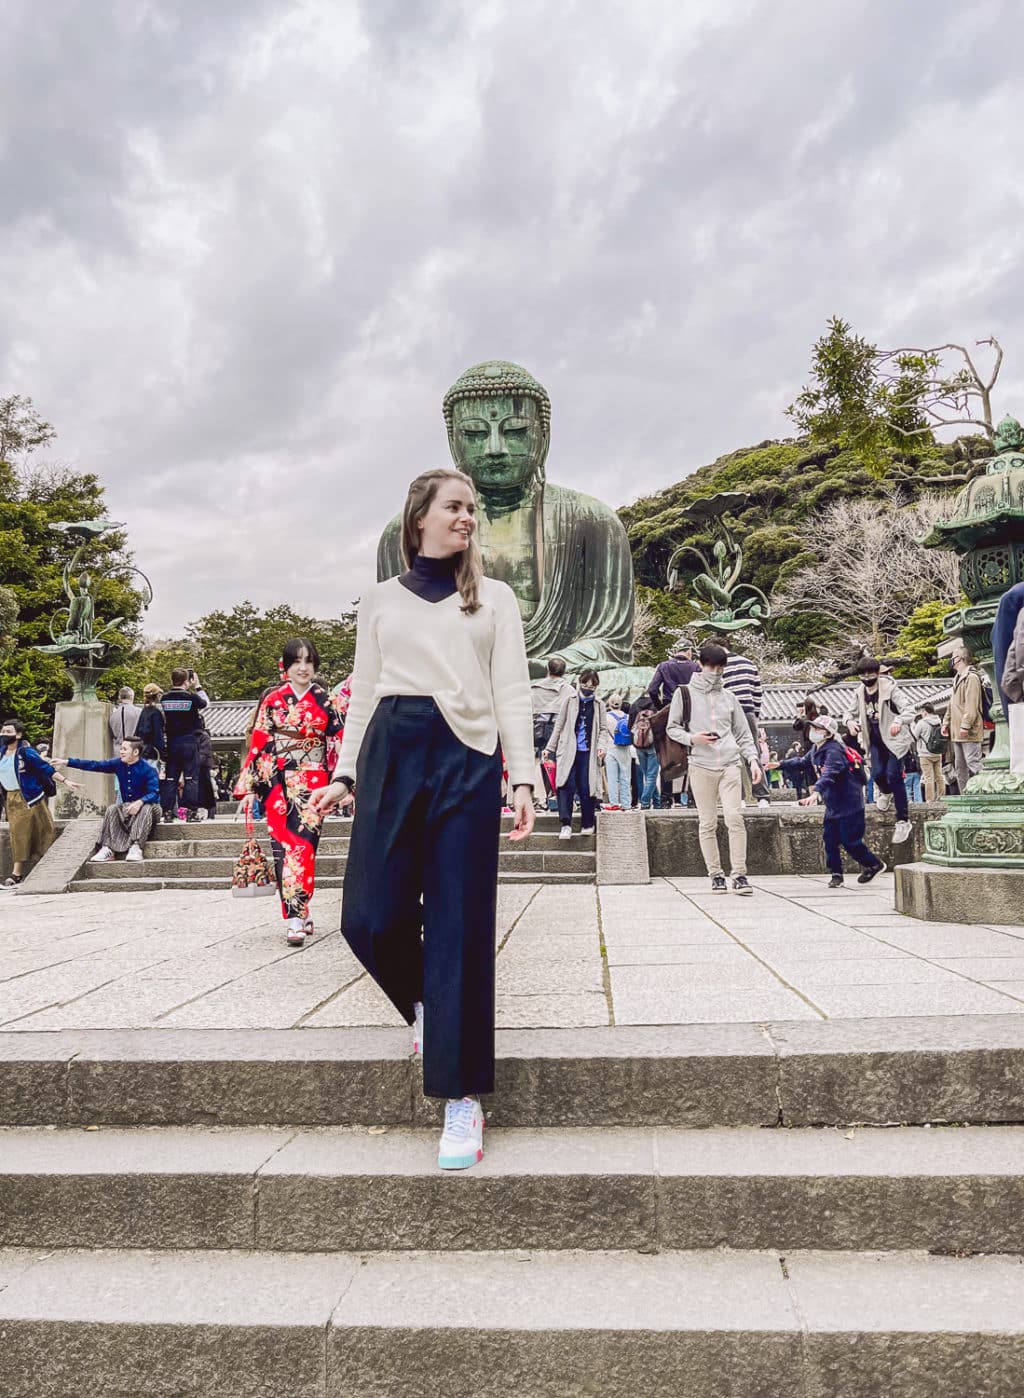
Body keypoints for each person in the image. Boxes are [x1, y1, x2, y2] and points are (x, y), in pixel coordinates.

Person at [310, 467, 534, 1174]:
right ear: (420, 519)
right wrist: (343, 772)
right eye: (455, 507)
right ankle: (427, 1010)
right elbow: (365, 690)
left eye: (471, 509)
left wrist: (522, 775)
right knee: (367, 916)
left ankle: (461, 1095)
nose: (467, 517)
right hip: (390, 752)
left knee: (461, 922)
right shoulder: (378, 599)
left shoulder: (493, 598)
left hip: (466, 756)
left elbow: (512, 691)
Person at [236, 640, 346, 947]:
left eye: (308, 661)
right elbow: (260, 743)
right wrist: (251, 786)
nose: (303, 667)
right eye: (296, 661)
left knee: (303, 848)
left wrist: (344, 784)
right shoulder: (273, 700)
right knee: (283, 849)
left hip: (314, 785)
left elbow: (340, 741)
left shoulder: (326, 700)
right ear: (285, 665)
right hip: (277, 783)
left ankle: (298, 914)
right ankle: (298, 915)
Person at [666, 641, 763, 894]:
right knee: (707, 822)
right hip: (700, 764)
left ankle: (740, 874)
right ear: (700, 664)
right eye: (711, 666)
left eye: (720, 668)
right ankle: (715, 874)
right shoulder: (684, 693)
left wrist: (752, 760)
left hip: (730, 763)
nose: (716, 672)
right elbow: (672, 727)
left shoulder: (729, 697)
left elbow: (743, 734)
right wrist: (692, 739)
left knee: (734, 817)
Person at [799, 715, 883, 888]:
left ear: (828, 734)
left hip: (849, 804)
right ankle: (836, 874)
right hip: (833, 805)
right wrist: (779, 765)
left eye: (818, 729)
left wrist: (816, 793)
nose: (813, 732)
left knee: (850, 841)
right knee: (829, 840)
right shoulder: (816, 749)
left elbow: (829, 773)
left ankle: (874, 864)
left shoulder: (834, 751)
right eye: (813, 728)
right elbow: (802, 762)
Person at [0, 719, 78, 887]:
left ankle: (44, 868)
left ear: (18, 734)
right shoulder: (1, 752)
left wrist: (65, 781)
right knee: (18, 833)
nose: (4, 735)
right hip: (12, 798)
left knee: (43, 830)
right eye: (3, 731)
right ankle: (17, 873)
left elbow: (45, 768)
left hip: (30, 796)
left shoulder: (25, 752)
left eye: (8, 732)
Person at [56, 737, 161, 862]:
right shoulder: (118, 764)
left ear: (135, 752)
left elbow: (154, 793)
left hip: (150, 808)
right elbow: (95, 765)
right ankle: (108, 848)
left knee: (146, 808)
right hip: (128, 806)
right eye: (121, 749)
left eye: (124, 749)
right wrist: (66, 762)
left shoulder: (149, 770)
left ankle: (136, 846)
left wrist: (140, 802)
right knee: (112, 809)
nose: (121, 752)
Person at [844, 657, 913, 845]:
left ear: (877, 672)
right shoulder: (859, 693)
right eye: (863, 674)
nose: (867, 677)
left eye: (870, 673)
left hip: (894, 740)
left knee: (894, 774)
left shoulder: (890, 689)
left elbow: (909, 710)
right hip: (874, 740)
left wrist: (898, 721)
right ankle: (886, 792)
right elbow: (848, 713)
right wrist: (850, 722)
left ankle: (903, 819)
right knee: (876, 774)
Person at [544, 670, 606, 838]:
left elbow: (603, 729)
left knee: (587, 787)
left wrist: (602, 746)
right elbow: (559, 725)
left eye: (592, 687)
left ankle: (588, 823)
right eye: (585, 685)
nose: (588, 689)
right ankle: (566, 823)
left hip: (588, 752)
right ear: (580, 683)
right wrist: (549, 748)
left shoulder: (599, 704)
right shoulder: (569, 701)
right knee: (565, 784)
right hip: (568, 751)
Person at [719, 641, 772, 807]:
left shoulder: (718, 666)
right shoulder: (748, 663)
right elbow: (758, 692)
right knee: (752, 752)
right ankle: (762, 797)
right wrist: (754, 714)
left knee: (730, 754)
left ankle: (739, 797)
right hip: (748, 710)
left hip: (727, 712)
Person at [160, 668, 209, 821]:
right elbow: (206, 703)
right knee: (191, 778)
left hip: (173, 742)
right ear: (187, 681)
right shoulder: (192, 698)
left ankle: (167, 811)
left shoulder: (165, 699)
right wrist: (198, 687)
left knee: (171, 779)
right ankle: (190, 812)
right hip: (189, 741)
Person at [943, 645, 986, 795]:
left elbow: (971, 704)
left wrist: (966, 725)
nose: (951, 660)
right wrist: (946, 722)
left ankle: (983, 792)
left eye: (953, 656)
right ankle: (965, 795)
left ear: (960, 658)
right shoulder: (957, 678)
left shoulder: (971, 677)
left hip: (968, 729)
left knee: (973, 762)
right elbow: (951, 704)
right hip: (956, 730)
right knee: (960, 766)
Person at [530, 656, 571, 811]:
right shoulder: (569, 689)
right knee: (558, 762)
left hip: (539, 728)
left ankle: (549, 794)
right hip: (559, 729)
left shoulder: (534, 688)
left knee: (545, 761)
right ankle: (556, 795)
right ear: (564, 671)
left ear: (547, 669)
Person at [629, 693, 660, 809]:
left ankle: (657, 801)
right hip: (653, 744)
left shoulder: (634, 705)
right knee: (651, 776)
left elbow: (629, 726)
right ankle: (645, 802)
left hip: (639, 745)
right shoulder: (656, 706)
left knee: (647, 775)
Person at [648, 640, 699, 710]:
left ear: (676, 651)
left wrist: (659, 707)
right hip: (691, 708)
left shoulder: (664, 666)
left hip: (669, 707)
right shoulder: (696, 667)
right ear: (689, 651)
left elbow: (652, 690)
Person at [911, 704, 946, 802]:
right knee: (939, 776)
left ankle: (930, 800)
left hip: (925, 754)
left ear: (925, 712)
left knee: (928, 777)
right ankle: (941, 798)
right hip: (937, 753)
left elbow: (914, 737)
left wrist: (912, 725)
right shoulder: (939, 721)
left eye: (922, 712)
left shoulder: (921, 723)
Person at [603, 692, 632, 809]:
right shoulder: (628, 717)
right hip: (625, 749)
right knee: (625, 777)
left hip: (610, 748)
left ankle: (614, 803)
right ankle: (626, 803)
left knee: (612, 778)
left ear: (609, 704)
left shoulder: (606, 716)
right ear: (621, 703)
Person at [135, 684, 166, 762]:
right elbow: (157, 734)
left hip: (143, 750)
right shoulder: (156, 712)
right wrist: (162, 753)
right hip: (152, 752)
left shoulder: (144, 710)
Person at [196, 724, 218, 821]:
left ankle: (208, 814)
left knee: (206, 791)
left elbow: (203, 755)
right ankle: (203, 813)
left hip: (203, 768)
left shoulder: (204, 737)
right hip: (201, 767)